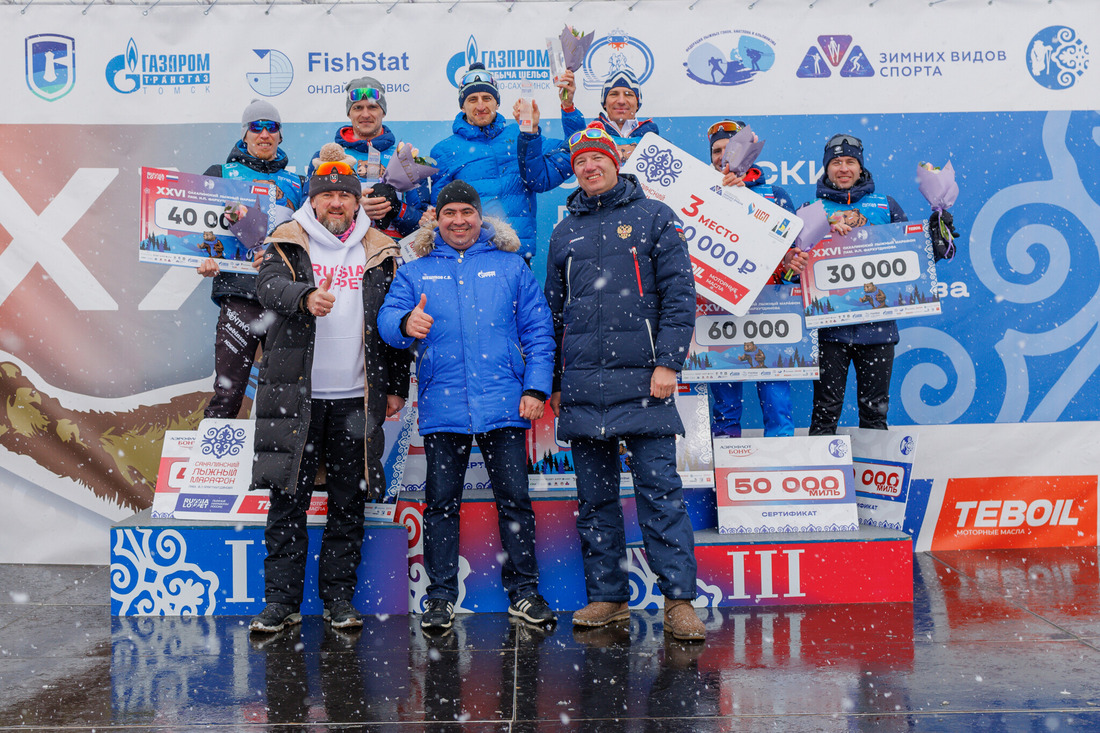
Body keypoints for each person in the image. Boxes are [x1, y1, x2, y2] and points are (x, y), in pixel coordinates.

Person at [544, 122, 705, 642]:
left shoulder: (655, 217)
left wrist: (669, 364)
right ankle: (608, 596)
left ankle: (679, 600)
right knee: (595, 501)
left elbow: (681, 296)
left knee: (661, 494)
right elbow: (553, 313)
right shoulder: (563, 229)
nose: (588, 168)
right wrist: (556, 381)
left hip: (645, 382)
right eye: (580, 162)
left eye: (597, 159)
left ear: (616, 162)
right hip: (585, 389)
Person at [378, 180, 557, 633]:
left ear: (480, 217)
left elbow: (538, 332)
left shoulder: (511, 265)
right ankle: (440, 597)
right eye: (449, 213)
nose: (459, 220)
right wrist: (404, 322)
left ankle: (525, 592)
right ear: (435, 219)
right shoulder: (416, 271)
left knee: (515, 502)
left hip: (504, 403)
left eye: (466, 212)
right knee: (440, 505)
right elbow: (386, 323)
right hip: (444, 404)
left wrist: (536, 389)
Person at [248, 143, 411, 633]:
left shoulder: (380, 247)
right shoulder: (288, 240)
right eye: (328, 196)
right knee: (287, 501)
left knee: (349, 501)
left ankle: (340, 599)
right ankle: (281, 603)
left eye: (345, 195)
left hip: (357, 399)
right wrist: (304, 296)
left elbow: (392, 320)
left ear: (357, 202)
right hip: (296, 398)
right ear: (313, 201)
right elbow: (267, 287)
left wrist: (397, 384)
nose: (337, 203)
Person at [197, 100, 304, 420]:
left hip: (282, 297)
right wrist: (205, 258)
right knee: (228, 389)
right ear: (244, 134)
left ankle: (269, 465)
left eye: (271, 127)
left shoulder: (297, 183)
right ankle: (209, 465)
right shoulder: (221, 173)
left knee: (279, 391)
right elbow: (198, 231)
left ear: (280, 136)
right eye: (256, 127)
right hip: (240, 293)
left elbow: (305, 239)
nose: (264, 134)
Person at [704, 119, 808, 438]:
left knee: (777, 405)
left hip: (768, 307)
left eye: (730, 149)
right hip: (719, 307)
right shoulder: (701, 190)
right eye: (716, 151)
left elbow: (792, 259)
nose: (723, 156)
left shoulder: (776, 194)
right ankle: (725, 480)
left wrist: (793, 262)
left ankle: (781, 475)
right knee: (725, 410)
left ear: (749, 152)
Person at [805, 134, 906, 434]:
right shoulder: (811, 209)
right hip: (829, 332)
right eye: (836, 162)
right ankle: (821, 481)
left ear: (861, 168)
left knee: (875, 415)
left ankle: (870, 482)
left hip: (877, 331)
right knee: (825, 412)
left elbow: (913, 258)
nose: (844, 168)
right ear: (827, 169)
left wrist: (938, 241)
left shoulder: (886, 206)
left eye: (851, 161)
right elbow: (794, 270)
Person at [427, 63, 572, 260]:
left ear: (497, 103)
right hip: (470, 256)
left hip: (517, 254)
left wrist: (568, 106)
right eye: (472, 99)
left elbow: (574, 149)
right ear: (462, 105)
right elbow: (440, 211)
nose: (480, 106)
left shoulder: (521, 133)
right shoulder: (444, 151)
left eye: (487, 98)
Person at [305, 77, 427, 240]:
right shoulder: (328, 158)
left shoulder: (404, 157)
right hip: (343, 256)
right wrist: (353, 209)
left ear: (383, 111)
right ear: (349, 112)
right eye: (358, 108)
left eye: (372, 107)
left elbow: (422, 224)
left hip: (393, 255)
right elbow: (307, 214)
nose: (365, 114)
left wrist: (396, 208)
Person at [559, 68, 657, 162]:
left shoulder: (652, 138)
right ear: (605, 103)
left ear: (637, 103)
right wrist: (568, 105)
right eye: (614, 94)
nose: (621, 101)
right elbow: (572, 147)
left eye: (629, 94)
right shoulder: (592, 135)